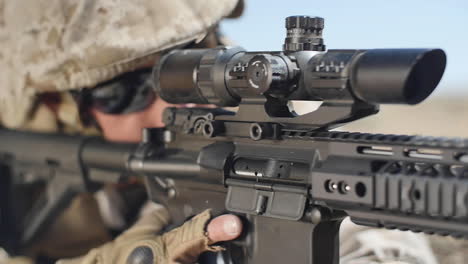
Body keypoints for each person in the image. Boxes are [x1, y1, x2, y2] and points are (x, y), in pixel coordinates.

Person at [0, 0, 464, 263]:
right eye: (126, 92)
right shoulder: (18, 172)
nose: (172, 105)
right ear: (53, 108)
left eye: (189, 59)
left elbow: (363, 232)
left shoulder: (263, 140)